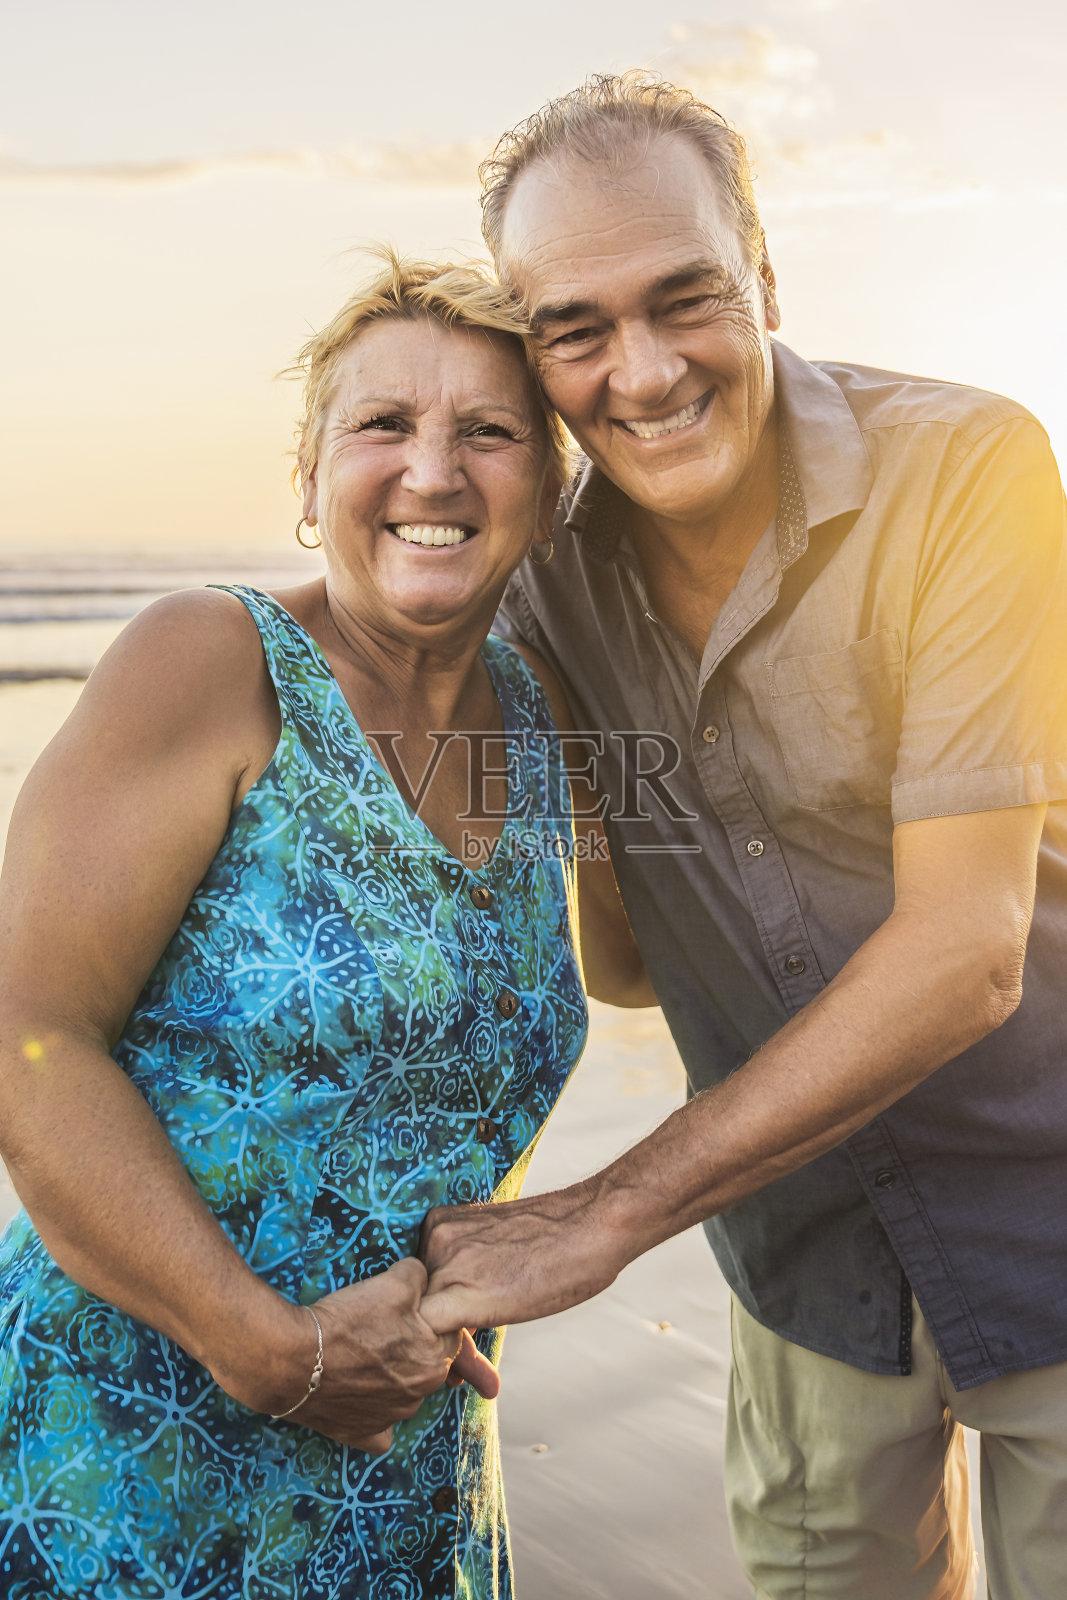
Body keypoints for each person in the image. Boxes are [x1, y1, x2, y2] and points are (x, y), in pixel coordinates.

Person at [418, 73, 1067, 1597]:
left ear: (763, 280)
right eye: (574, 329)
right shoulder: (546, 588)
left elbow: (969, 956)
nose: (640, 372)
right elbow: (629, 972)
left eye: (684, 298)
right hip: (804, 1272)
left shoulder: (968, 473)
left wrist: (600, 1216)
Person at [0, 252, 646, 1599]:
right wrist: (269, 1352)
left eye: (489, 431)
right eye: (382, 426)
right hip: (131, 1448)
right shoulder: (212, 663)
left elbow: (636, 966)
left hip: (402, 1472)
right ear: (309, 477)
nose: (433, 472)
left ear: (550, 483)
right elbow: (27, 1038)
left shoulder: (554, 729)